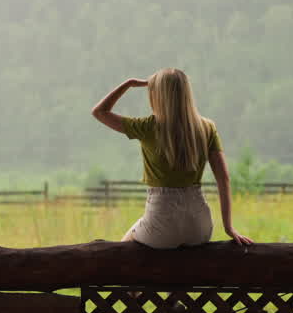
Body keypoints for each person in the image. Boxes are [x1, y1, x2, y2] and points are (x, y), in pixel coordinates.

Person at [92, 69, 253, 248]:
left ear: (158, 96)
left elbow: (99, 112)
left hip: (161, 225)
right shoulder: (207, 127)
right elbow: (224, 179)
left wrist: (128, 84)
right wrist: (229, 228)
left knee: (122, 248)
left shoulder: (147, 127)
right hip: (199, 227)